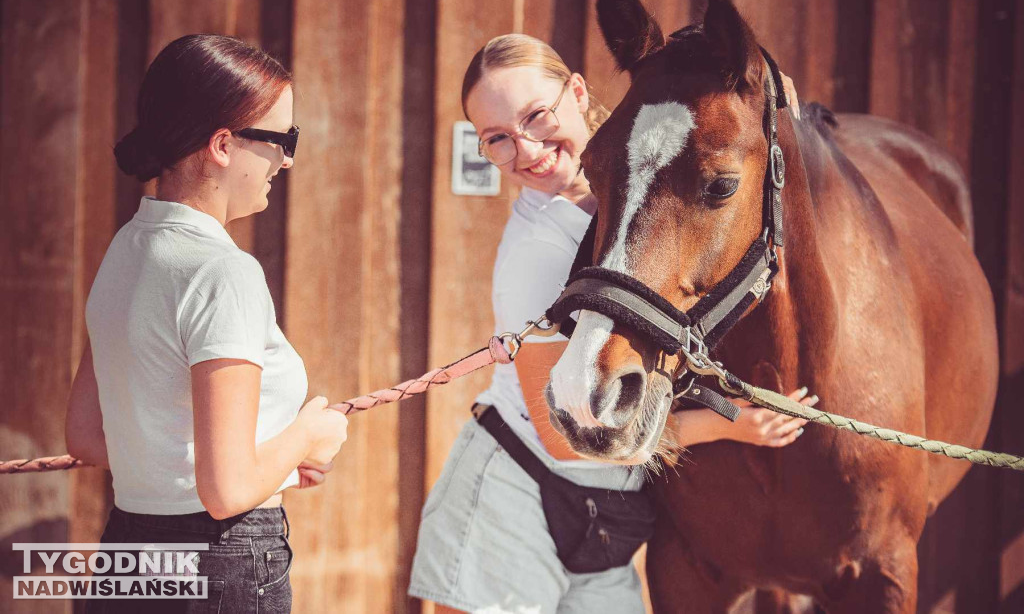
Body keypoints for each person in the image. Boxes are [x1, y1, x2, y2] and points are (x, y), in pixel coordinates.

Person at [408, 34, 813, 614]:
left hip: (611, 518)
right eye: (498, 138)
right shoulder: (536, 251)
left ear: (577, 92)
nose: (526, 147)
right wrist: (730, 426)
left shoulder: (632, 205)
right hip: (518, 495)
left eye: (536, 115)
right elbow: (562, 437)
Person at [64, 34, 349, 613]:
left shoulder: (125, 252)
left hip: (129, 557)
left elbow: (89, 437)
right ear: (223, 144)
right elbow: (225, 493)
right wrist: (307, 437)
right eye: (282, 139)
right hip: (222, 562)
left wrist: (272, 470)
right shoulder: (223, 271)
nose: (286, 160)